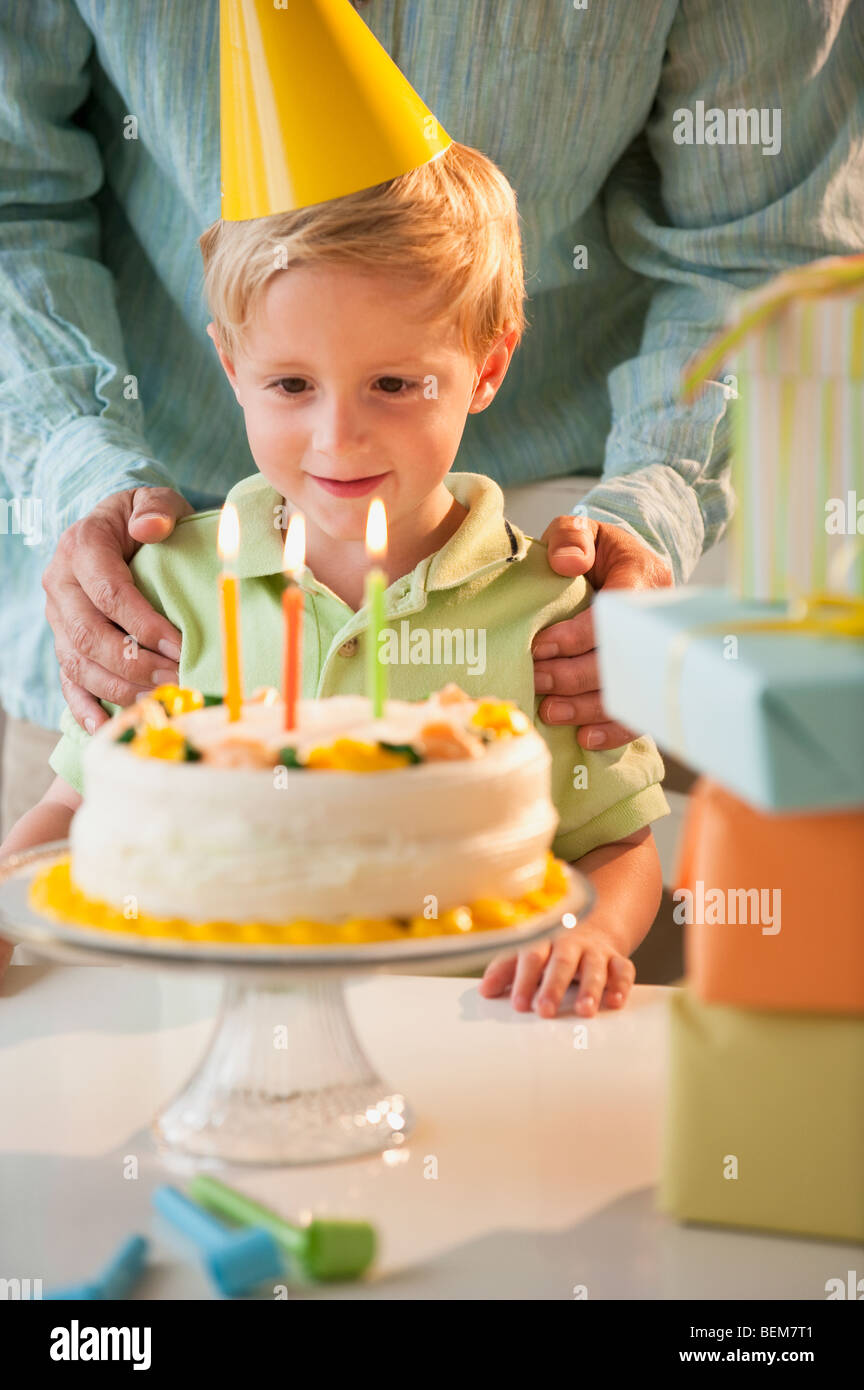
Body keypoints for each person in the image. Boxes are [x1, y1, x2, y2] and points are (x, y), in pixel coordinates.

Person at [1, 139, 669, 1014]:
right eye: (289, 384)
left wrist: (594, 936)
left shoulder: (555, 614)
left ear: (490, 367)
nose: (337, 437)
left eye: (393, 382)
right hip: (193, 1037)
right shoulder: (165, 588)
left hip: (467, 1048)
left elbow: (616, 846)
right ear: (232, 367)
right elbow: (75, 807)